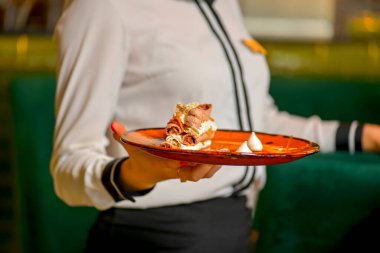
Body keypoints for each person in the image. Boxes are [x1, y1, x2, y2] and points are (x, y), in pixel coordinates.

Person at [50, 0, 380, 252]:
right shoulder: (101, 7)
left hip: (236, 225)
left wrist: (366, 136)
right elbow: (68, 167)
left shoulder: (224, 4)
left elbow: (254, 125)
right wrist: (140, 173)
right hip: (156, 234)